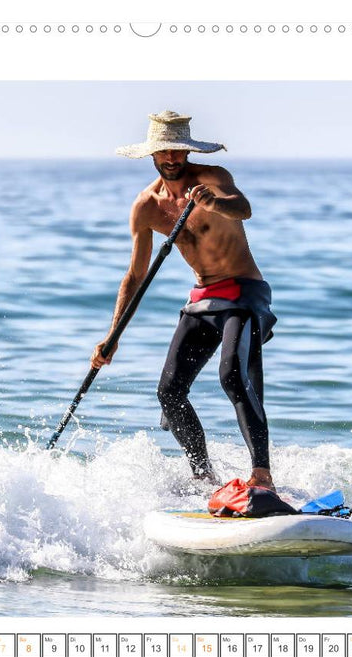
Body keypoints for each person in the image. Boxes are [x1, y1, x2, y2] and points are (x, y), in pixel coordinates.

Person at [91, 111, 278, 491]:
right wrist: (112, 338)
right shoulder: (147, 206)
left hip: (243, 291)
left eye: (178, 150)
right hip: (203, 298)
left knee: (231, 375)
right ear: (152, 155)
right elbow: (135, 276)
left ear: (188, 151)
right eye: (164, 152)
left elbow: (244, 209)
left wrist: (215, 204)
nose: (172, 158)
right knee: (169, 392)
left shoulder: (214, 179)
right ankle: (204, 477)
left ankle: (261, 476)